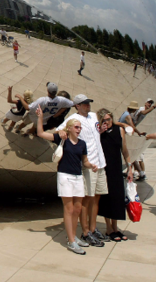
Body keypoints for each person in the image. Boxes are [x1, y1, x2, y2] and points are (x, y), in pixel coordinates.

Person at [35, 106, 96, 255]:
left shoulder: (82, 144)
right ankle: (71, 241)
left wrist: (91, 166)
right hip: (65, 177)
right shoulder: (62, 138)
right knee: (69, 209)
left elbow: (85, 161)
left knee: (77, 209)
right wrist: (40, 117)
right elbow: (40, 133)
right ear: (69, 128)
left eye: (80, 127)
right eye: (76, 127)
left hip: (77, 177)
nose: (79, 129)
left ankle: (73, 236)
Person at [57, 94, 108, 247]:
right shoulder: (72, 119)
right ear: (77, 106)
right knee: (87, 198)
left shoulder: (93, 116)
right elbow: (60, 130)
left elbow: (98, 130)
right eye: (84, 104)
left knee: (96, 197)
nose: (87, 105)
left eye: (88, 103)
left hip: (100, 162)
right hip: (88, 163)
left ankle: (92, 228)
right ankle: (85, 231)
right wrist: (61, 133)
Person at [96, 109, 134, 241]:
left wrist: (129, 168)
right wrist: (100, 132)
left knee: (117, 198)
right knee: (107, 198)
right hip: (104, 168)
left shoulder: (120, 130)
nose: (107, 122)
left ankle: (116, 227)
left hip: (116, 168)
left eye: (109, 119)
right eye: (104, 120)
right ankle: (109, 228)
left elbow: (125, 150)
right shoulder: (99, 132)